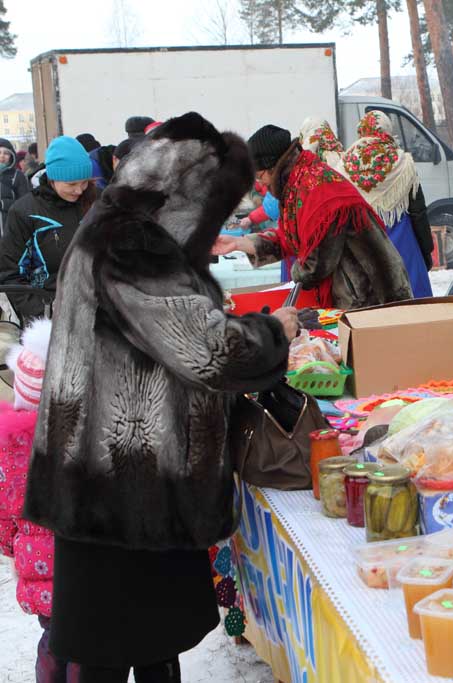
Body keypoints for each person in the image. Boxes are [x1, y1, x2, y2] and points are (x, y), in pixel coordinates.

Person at [22, 112, 298, 683]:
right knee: (113, 648)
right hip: (123, 484)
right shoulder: (130, 243)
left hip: (121, 479)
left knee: (145, 645)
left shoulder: (117, 226)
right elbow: (206, 348)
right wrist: (276, 332)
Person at [212, 124, 412, 309]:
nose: (261, 183)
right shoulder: (297, 183)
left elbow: (315, 266)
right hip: (357, 294)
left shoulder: (318, 191)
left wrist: (294, 277)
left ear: (272, 166)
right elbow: (289, 237)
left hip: (373, 297)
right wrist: (238, 243)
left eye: (260, 175)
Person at [0, 318, 76, 683]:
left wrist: (12, 548)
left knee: (52, 638)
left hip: (35, 565)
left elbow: (2, 511)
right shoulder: (76, 444)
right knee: (83, 645)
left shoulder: (9, 450)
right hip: (81, 567)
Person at [332, 112, 433, 298]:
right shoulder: (403, 163)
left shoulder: (343, 165)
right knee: (414, 310)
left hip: (364, 250)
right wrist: (426, 251)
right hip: (404, 248)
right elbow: (418, 212)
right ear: (388, 130)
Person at [0, 136, 96, 323]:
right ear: (52, 178)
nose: (79, 190)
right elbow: (10, 274)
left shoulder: (98, 203)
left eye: (84, 182)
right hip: (51, 314)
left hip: (99, 311)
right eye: (71, 184)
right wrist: (43, 314)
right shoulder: (25, 212)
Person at [0, 137, 31, 235]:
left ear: (11, 156)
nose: (2, 156)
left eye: (6, 153)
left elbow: (25, 204)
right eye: (0, 152)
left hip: (10, 231)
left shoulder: (18, 176)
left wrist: (3, 204)